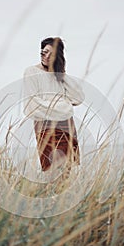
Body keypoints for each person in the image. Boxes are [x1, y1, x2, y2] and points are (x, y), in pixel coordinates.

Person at [23, 37, 85, 176]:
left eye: (51, 54)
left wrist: (60, 73)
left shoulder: (58, 75)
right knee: (51, 171)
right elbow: (32, 105)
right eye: (44, 53)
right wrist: (64, 107)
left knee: (68, 170)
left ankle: (67, 198)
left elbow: (78, 97)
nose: (46, 57)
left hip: (66, 125)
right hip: (45, 126)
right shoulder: (31, 72)